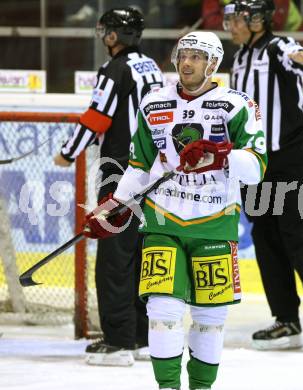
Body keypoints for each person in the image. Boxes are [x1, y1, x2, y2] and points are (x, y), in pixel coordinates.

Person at [83, 31, 267, 390]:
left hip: (215, 224)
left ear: (213, 63)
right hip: (162, 220)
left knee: (210, 320)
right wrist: (114, 205)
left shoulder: (238, 104)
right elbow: (140, 165)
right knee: (162, 315)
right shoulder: (154, 103)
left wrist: (220, 155)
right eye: (183, 55)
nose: (186, 62)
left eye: (197, 57)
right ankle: (167, 387)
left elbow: (257, 168)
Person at [223, 0, 303, 354]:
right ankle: (286, 320)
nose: (230, 24)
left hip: (290, 158)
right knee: (266, 235)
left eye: (237, 19)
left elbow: (300, 57)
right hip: (255, 162)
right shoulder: (242, 56)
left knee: (298, 233)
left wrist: (301, 57)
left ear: (258, 20)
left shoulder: (277, 47)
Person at [54, 7, 164, 366]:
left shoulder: (115, 69)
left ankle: (118, 340)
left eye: (106, 32)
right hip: (153, 172)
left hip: (121, 172)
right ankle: (141, 336)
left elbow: (98, 117)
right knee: (140, 254)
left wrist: (68, 154)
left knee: (115, 256)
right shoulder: (151, 66)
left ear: (114, 35)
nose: (104, 38)